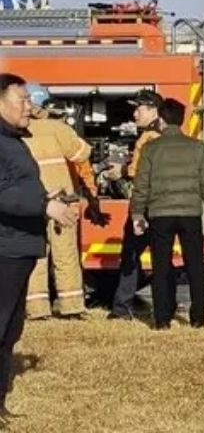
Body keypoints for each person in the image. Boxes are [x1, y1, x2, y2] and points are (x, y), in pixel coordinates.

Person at [0, 74, 79, 421]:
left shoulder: (15, 141)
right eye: (22, 100)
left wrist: (45, 197)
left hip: (21, 246)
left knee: (10, 332)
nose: (29, 108)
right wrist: (44, 206)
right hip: (5, 248)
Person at [130, 98, 204, 329]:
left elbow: (142, 184)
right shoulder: (196, 147)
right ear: (181, 120)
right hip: (190, 213)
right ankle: (198, 318)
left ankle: (162, 319)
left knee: (161, 268)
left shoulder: (151, 148)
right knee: (195, 267)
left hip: (160, 214)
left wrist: (137, 214)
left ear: (160, 119)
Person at [23, 84, 98, 320]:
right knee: (65, 255)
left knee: (36, 256)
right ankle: (72, 306)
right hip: (63, 202)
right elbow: (81, 153)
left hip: (32, 202)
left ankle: (36, 309)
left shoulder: (17, 131)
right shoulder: (56, 127)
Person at [109, 89, 165, 320]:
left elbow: (137, 171)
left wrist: (119, 171)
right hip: (164, 205)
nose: (134, 114)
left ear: (152, 110)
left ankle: (121, 309)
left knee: (131, 256)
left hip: (144, 205)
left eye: (139, 109)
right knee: (161, 259)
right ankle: (164, 309)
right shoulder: (169, 133)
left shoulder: (147, 138)